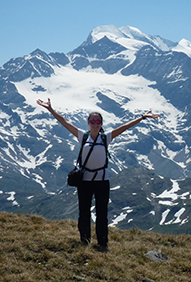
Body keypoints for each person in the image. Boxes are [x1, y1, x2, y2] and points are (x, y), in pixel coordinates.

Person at [37, 98, 159, 251]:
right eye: (92, 121)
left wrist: (142, 117)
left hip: (102, 181)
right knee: (84, 212)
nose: (95, 123)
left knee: (102, 214)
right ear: (88, 122)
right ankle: (85, 240)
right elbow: (65, 122)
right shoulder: (83, 136)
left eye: (97, 121)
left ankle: (102, 242)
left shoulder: (105, 137)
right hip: (85, 181)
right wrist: (50, 109)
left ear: (101, 124)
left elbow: (124, 127)